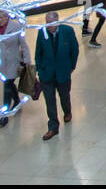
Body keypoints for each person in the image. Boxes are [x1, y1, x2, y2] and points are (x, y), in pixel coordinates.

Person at [34, 10, 79, 141]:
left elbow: (74, 50)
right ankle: (53, 126)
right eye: (47, 22)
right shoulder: (42, 32)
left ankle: (67, 111)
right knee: (49, 101)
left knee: (64, 95)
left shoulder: (67, 31)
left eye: (51, 23)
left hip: (63, 72)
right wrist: (39, 69)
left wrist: (71, 66)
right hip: (46, 74)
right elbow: (38, 53)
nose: (49, 25)